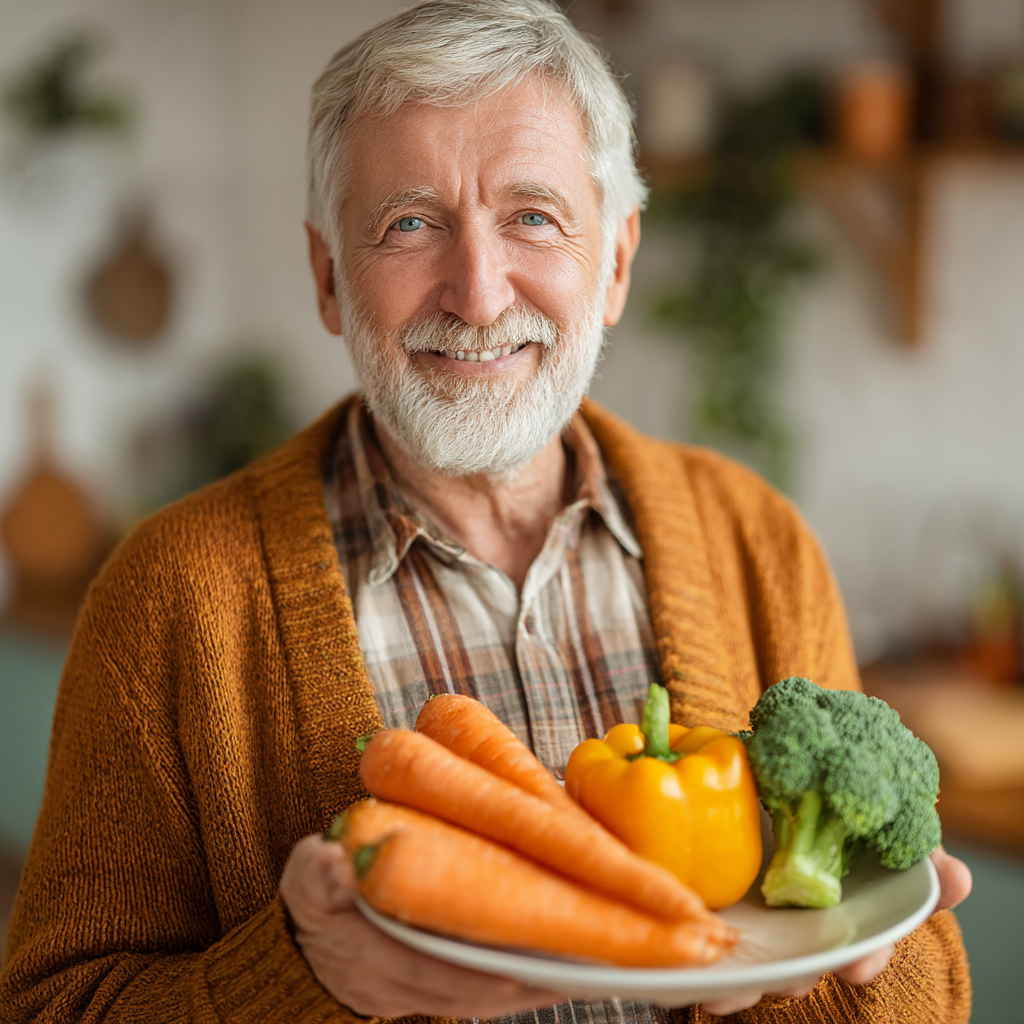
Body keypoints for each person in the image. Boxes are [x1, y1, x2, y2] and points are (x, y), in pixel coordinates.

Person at [0, 2, 972, 1022]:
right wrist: (304, 978)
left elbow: (921, 975)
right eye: (409, 223)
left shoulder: (756, 543)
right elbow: (55, 1006)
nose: (474, 291)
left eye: (533, 217)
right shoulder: (170, 596)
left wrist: (859, 973)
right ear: (329, 275)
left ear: (617, 264)